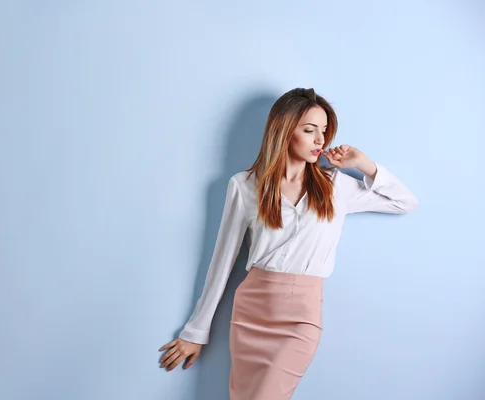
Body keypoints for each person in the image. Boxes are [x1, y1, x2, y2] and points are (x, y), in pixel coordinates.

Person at [158, 87, 419, 399]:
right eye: (310, 130)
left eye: (324, 131)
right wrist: (196, 332)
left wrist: (363, 163)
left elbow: (405, 202)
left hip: (302, 318)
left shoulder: (336, 186)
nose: (320, 141)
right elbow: (222, 261)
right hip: (251, 312)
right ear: (283, 131)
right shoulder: (244, 186)